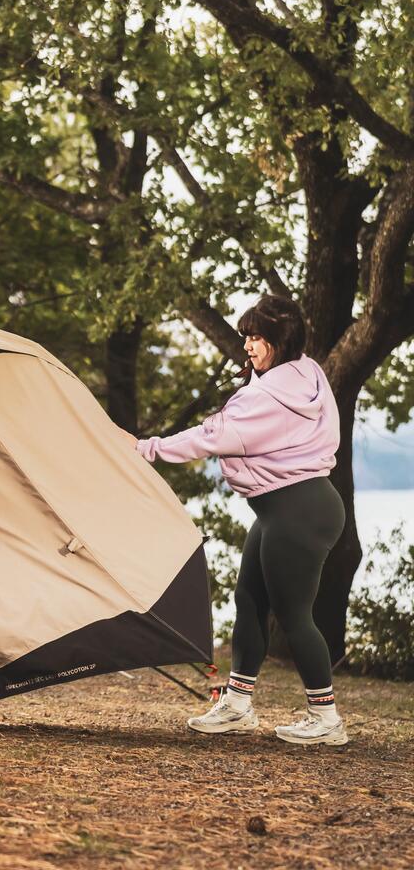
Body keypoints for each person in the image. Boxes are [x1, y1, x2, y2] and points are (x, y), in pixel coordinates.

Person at [127, 295, 347, 746]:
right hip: (288, 507)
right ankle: (238, 704)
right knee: (248, 599)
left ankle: (326, 718)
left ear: (280, 341)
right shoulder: (308, 373)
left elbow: (211, 438)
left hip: (296, 509)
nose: (247, 345)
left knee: (293, 615)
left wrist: (145, 448)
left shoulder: (267, 397)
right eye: (246, 335)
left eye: (257, 337)